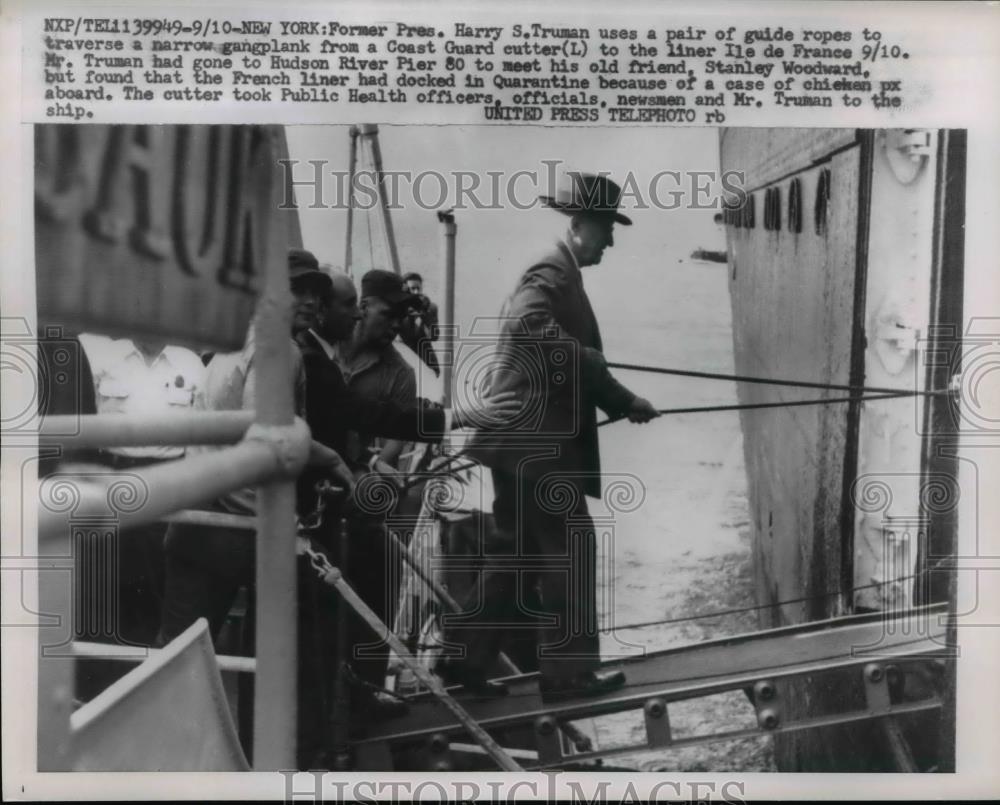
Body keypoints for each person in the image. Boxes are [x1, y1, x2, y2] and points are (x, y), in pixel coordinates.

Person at [446, 171, 660, 701]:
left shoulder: (561, 270)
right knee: (570, 549)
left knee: (512, 557)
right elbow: (527, 327)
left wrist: (618, 397)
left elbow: (546, 345)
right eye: (607, 227)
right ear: (579, 223)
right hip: (538, 449)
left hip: (516, 447)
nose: (611, 239)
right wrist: (609, 383)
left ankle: (463, 664)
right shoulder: (552, 268)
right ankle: (568, 676)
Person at [75, 333, 205, 650]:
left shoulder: (190, 363)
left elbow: (202, 429)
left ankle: (143, 664)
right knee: (102, 581)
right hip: (112, 475)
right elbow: (82, 415)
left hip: (165, 480)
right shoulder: (101, 356)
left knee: (154, 580)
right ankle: (101, 673)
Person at [399, 271, 441, 376]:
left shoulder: (430, 307)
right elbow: (405, 337)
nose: (416, 292)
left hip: (426, 360)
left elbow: (434, 336)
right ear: (405, 290)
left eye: (419, 288)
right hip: (405, 359)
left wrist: (425, 315)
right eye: (412, 289)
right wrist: (410, 316)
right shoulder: (399, 308)